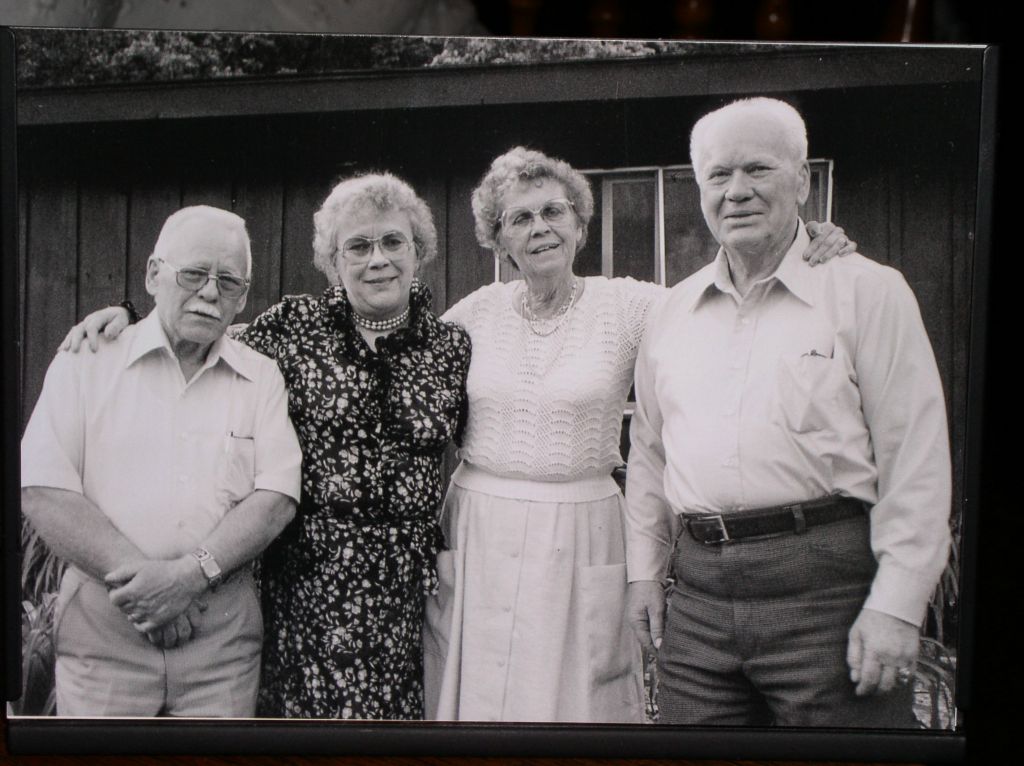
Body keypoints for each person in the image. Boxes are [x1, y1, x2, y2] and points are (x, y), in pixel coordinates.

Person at [423, 146, 854, 723]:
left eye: (553, 212)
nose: (540, 228)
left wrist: (803, 246)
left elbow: (733, 297)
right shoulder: (476, 312)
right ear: (498, 238)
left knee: (576, 697)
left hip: (581, 530)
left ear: (580, 223)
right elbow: (405, 361)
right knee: (472, 690)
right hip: (477, 526)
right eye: (519, 219)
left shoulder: (629, 305)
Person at [59, 174, 472, 719]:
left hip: (404, 597)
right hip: (305, 591)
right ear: (333, 260)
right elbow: (203, 328)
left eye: (394, 242)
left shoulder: (452, 345)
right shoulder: (292, 327)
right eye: (358, 246)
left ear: (419, 251)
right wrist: (129, 317)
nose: (379, 260)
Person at [624, 97, 952, 728]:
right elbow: (649, 457)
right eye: (719, 176)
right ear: (699, 189)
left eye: (759, 170)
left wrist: (899, 604)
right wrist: (643, 573)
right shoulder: (670, 312)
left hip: (828, 598)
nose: (737, 191)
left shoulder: (867, 291)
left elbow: (916, 457)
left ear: (802, 181)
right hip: (697, 607)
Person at [21, 205, 303, 717]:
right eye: (193, 273)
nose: (210, 292)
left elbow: (277, 497)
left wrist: (189, 578)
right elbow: (43, 488)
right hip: (103, 643)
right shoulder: (86, 361)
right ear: (154, 274)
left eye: (229, 281)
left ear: (243, 295)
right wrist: (148, 587)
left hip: (220, 650)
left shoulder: (262, 377)